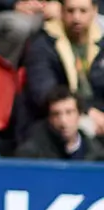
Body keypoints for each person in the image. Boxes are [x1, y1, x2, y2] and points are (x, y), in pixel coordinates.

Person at [21, 0, 103, 138]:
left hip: (98, 113)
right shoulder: (43, 44)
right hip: (58, 117)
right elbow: (44, 92)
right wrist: (88, 111)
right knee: (87, 128)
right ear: (61, 12)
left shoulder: (101, 43)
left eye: (83, 11)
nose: (76, 18)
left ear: (94, 11)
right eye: (70, 11)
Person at [16, 86, 104, 158]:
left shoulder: (97, 154)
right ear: (49, 118)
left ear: (79, 115)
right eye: (56, 114)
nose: (63, 121)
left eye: (69, 112)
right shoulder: (32, 153)